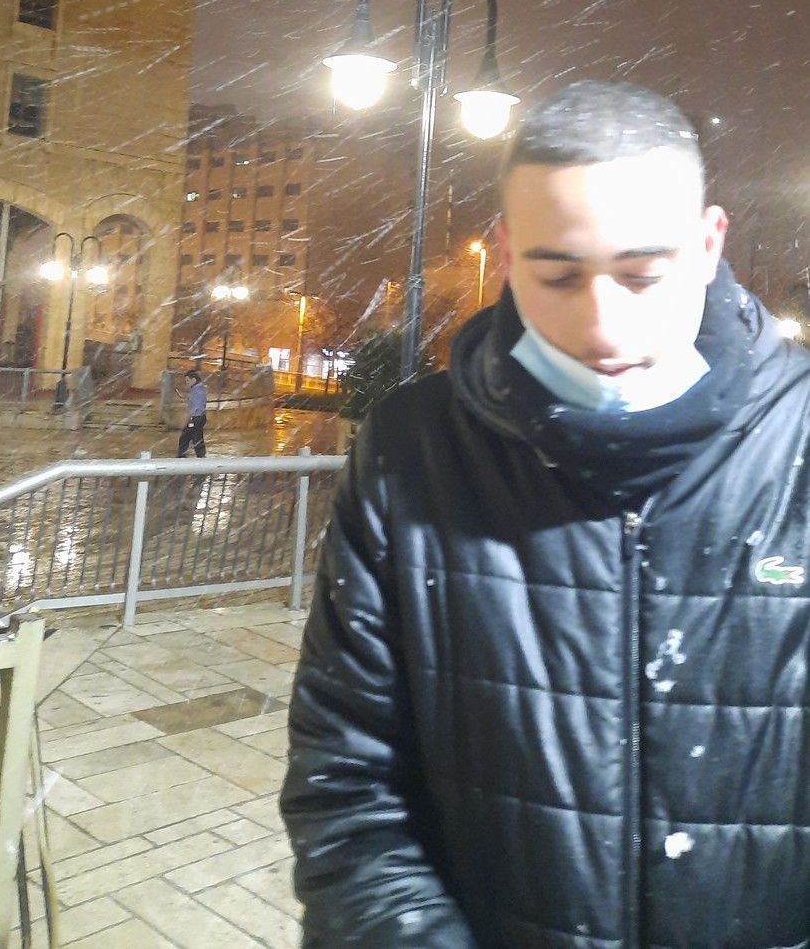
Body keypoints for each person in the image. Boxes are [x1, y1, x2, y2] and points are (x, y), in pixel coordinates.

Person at [281, 80, 810, 949]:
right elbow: (347, 780)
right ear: (504, 251)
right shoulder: (414, 449)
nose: (602, 326)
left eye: (643, 274)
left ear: (709, 244)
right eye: (557, 275)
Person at [177, 367, 207, 458]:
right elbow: (195, 401)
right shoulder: (198, 388)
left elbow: (194, 408)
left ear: (194, 379)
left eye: (187, 380)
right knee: (196, 438)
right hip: (199, 418)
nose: (186, 383)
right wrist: (185, 398)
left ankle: (182, 458)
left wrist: (186, 420)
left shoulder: (197, 390)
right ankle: (201, 457)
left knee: (186, 438)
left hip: (195, 418)